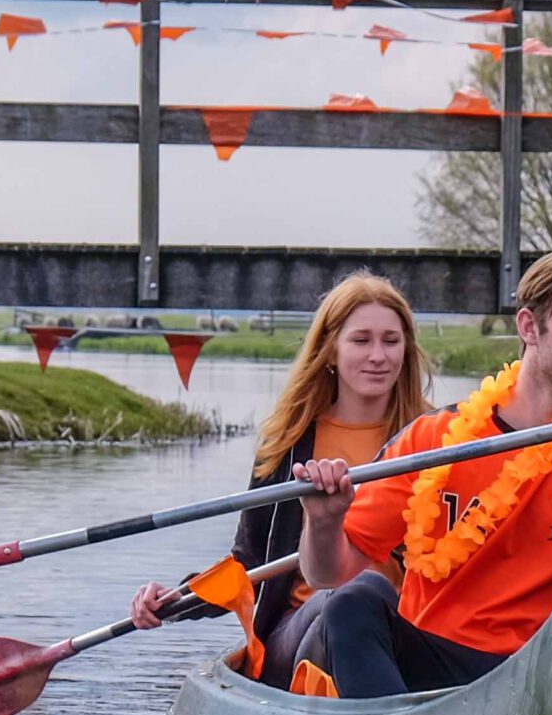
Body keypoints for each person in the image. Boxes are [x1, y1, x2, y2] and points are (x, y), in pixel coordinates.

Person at [291, 244, 552, 698]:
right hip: (431, 676)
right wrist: (323, 520)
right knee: (350, 602)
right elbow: (325, 575)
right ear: (529, 326)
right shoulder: (433, 439)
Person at [129, 272, 433, 683]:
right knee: (349, 597)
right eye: (361, 341)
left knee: (371, 602)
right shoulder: (290, 444)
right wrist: (176, 600)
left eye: (390, 341)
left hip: (405, 631)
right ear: (330, 351)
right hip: (300, 634)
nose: (378, 355)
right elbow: (250, 562)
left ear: (406, 350)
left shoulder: (438, 437)